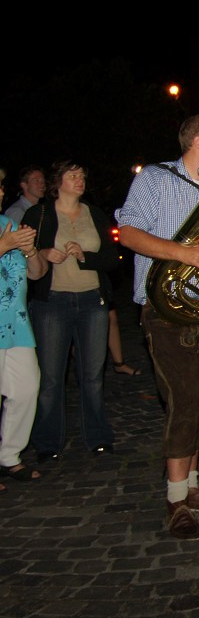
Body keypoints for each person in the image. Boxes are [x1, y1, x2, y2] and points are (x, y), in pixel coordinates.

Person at [117, 113, 199, 540]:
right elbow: (129, 233)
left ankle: (193, 486)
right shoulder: (155, 179)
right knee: (184, 399)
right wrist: (183, 254)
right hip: (165, 309)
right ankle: (175, 499)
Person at [24, 160, 118, 462]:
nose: (79, 180)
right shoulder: (38, 214)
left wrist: (85, 257)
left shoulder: (95, 213)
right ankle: (47, 441)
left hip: (92, 301)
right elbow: (22, 256)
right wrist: (43, 253)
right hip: (52, 302)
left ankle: (99, 437)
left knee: (92, 376)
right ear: (58, 181)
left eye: (82, 175)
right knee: (51, 377)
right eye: (72, 175)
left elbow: (112, 258)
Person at [0, 183, 45, 485]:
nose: (1, 192)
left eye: (0, 186)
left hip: (16, 324)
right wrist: (5, 246)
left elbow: (38, 272)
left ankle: (8, 455)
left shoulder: (9, 224)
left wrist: (29, 251)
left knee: (27, 389)